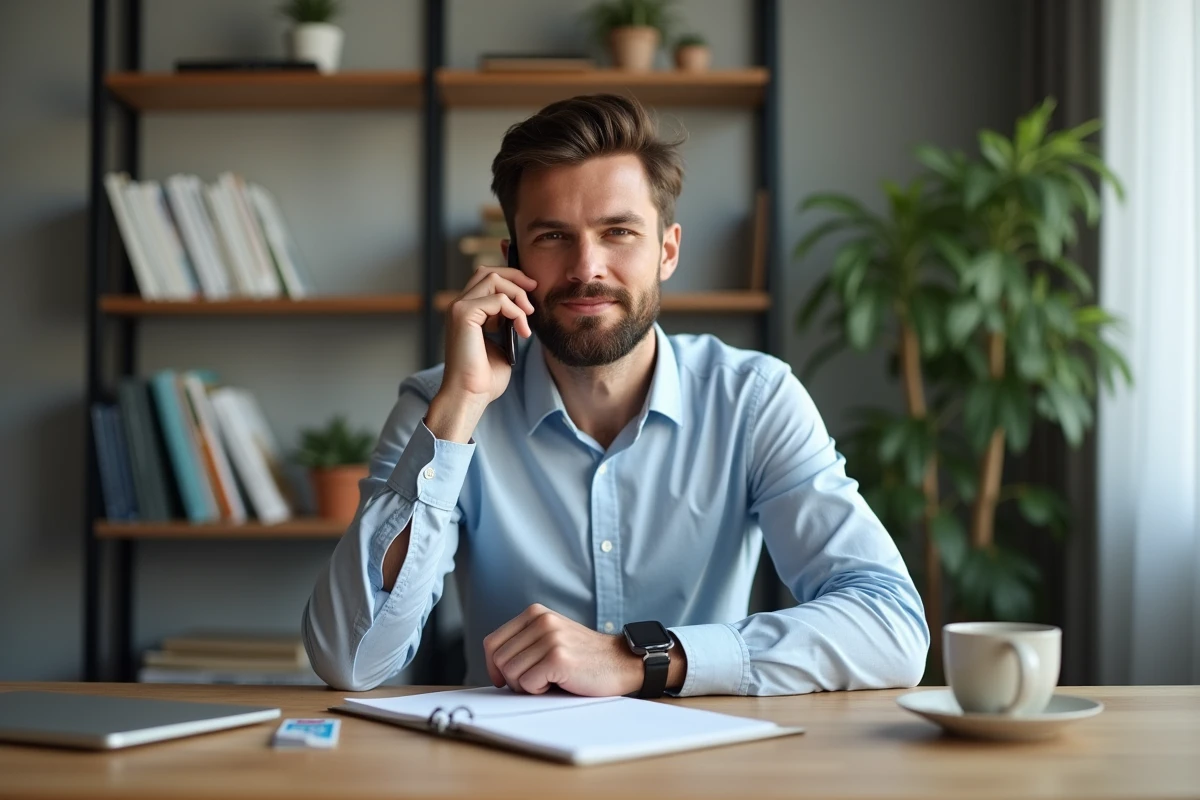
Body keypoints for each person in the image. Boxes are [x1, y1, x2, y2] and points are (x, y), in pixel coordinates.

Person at [301, 94, 929, 697]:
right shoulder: (439, 407)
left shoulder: (754, 399)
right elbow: (350, 660)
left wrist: (641, 659)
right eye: (552, 236)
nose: (586, 267)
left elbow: (892, 627)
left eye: (619, 231)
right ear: (510, 259)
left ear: (667, 250)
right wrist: (460, 406)